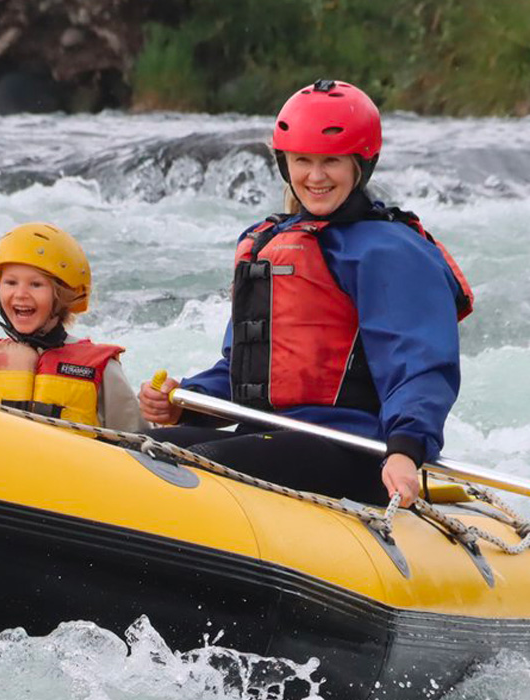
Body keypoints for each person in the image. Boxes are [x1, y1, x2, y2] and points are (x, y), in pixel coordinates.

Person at [139, 79, 473, 508]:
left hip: (353, 451)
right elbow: (248, 368)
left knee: (188, 464)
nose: (315, 177)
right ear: (285, 164)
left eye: (331, 161)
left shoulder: (390, 251)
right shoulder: (272, 242)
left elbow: (420, 366)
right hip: (268, 436)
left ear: (360, 164)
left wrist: (406, 450)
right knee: (137, 446)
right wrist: (190, 402)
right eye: (303, 161)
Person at [0, 222, 148, 432]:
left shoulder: (103, 370)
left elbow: (136, 440)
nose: (21, 294)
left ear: (63, 295)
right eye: (11, 283)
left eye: (36, 284)